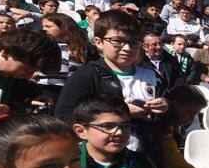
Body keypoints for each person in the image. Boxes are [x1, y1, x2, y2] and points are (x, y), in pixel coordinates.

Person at [56, 10, 169, 154]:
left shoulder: (152, 75)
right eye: (117, 41)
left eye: (133, 42)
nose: (127, 48)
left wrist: (166, 107)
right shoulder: (87, 75)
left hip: (146, 159)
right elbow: (64, 116)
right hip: (101, 163)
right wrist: (118, 114)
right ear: (99, 42)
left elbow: (170, 116)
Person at [0, 28, 60, 110]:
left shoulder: (5, 73)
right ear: (5, 53)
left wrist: (33, 95)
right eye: (28, 70)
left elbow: (18, 87)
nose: (29, 76)